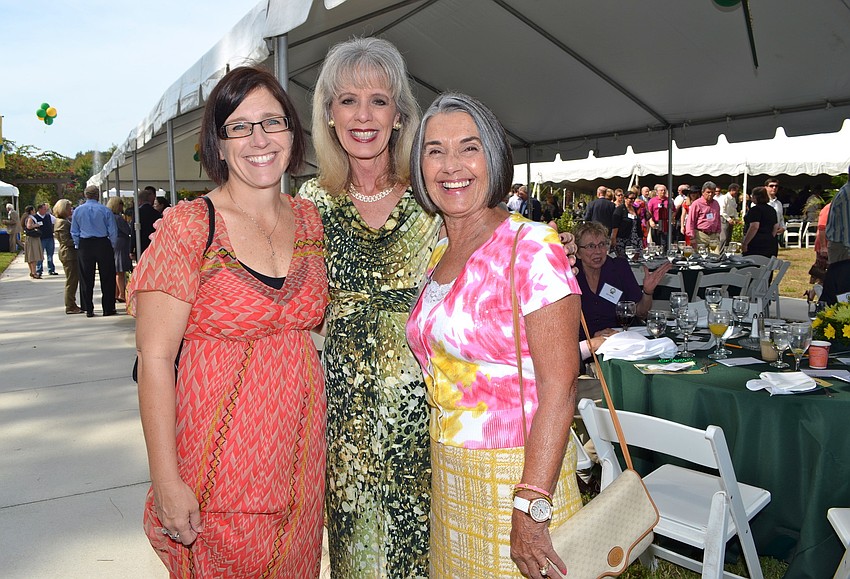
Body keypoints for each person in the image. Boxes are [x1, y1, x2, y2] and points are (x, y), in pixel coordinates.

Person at [128, 66, 328, 577]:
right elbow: (153, 360)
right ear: (217, 145)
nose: (258, 139)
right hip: (219, 466)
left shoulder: (308, 219)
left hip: (300, 461)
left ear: (292, 134)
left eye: (272, 122)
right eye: (239, 126)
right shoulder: (190, 226)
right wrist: (167, 481)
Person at [406, 92, 581, 579]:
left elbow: (561, 386)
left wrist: (531, 506)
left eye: (469, 147)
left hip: (519, 476)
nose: (451, 165)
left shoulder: (532, 246)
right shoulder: (437, 251)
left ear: (494, 158)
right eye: (434, 150)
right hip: (452, 477)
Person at [298, 37, 440, 577]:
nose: (363, 115)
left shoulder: (432, 192)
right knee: (357, 557)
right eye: (347, 100)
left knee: (426, 556)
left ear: (400, 115)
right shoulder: (310, 203)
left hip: (429, 412)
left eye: (379, 100)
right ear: (329, 115)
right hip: (345, 423)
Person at [574, 221, 673, 338]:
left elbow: (641, 313)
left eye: (602, 244)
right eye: (591, 246)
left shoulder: (619, 267)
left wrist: (647, 292)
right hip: (584, 345)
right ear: (578, 252)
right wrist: (592, 337)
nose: (598, 251)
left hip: (620, 339)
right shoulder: (571, 275)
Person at [71, 186, 118, 317]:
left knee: (86, 277)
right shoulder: (105, 210)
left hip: (85, 244)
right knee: (107, 277)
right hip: (102, 242)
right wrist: (111, 245)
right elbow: (113, 230)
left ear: (85, 195)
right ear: (97, 195)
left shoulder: (78, 211)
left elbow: (74, 231)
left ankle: (88, 308)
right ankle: (108, 308)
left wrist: (78, 244)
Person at [52, 199, 83, 314]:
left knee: (73, 280)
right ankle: (70, 305)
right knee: (72, 280)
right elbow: (65, 241)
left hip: (68, 253)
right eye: (69, 208)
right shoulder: (62, 223)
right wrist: (78, 239)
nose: (71, 210)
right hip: (68, 254)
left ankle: (72, 303)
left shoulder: (62, 221)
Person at [741, 186, 780, 258]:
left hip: (756, 242)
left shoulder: (755, 210)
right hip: (770, 241)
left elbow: (754, 226)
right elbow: (776, 226)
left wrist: (745, 243)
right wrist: (770, 237)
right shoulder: (771, 210)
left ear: (756, 197)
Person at [106, 197, 133, 303]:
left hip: (114, 243)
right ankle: (122, 293)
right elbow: (127, 230)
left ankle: (117, 293)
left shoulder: (109, 216)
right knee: (120, 270)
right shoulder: (118, 218)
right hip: (121, 243)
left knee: (116, 269)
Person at [687, 181, 721, 248]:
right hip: (701, 235)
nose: (710, 194)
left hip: (713, 236)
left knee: (715, 257)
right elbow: (691, 221)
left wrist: (718, 232)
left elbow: (718, 218)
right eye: (708, 192)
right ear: (703, 192)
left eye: (712, 192)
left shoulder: (716, 203)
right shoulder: (696, 204)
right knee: (700, 257)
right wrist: (691, 237)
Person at [610, 190, 643, 257]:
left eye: (634, 198)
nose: (633, 200)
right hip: (623, 240)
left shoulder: (635, 209)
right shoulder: (619, 209)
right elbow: (615, 225)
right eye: (630, 198)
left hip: (636, 239)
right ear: (625, 198)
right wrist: (613, 239)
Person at [134, 186, 160, 258]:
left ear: (140, 200)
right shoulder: (156, 213)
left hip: (140, 243)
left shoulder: (137, 213)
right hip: (153, 243)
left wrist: (131, 249)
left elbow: (133, 231)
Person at [34, 203, 58, 276]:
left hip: (49, 238)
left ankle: (51, 270)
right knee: (40, 255)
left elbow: (56, 221)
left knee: (50, 255)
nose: (46, 210)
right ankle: (39, 270)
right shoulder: (35, 217)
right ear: (40, 209)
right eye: (44, 209)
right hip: (40, 239)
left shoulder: (49, 216)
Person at [21, 206, 43, 279]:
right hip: (32, 239)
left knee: (30, 256)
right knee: (33, 256)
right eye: (33, 210)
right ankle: (34, 272)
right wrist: (36, 225)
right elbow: (29, 226)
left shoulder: (26, 217)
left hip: (29, 238)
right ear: (31, 211)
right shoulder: (30, 218)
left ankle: (32, 271)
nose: (34, 211)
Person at [646, 183, 669, 249]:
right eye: (661, 190)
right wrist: (650, 221)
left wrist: (671, 218)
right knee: (656, 240)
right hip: (655, 222)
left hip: (665, 222)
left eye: (664, 190)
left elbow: (674, 210)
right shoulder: (652, 201)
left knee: (664, 241)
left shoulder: (668, 200)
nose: (663, 192)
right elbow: (649, 212)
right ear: (657, 192)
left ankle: (663, 253)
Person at [717, 183, 740, 250]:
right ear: (732, 190)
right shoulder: (724, 198)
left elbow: (734, 209)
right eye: (736, 191)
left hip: (730, 218)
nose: (737, 193)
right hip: (724, 218)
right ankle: (719, 253)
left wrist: (736, 218)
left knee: (728, 238)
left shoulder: (733, 199)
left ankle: (725, 253)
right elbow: (722, 210)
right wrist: (728, 219)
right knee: (723, 237)